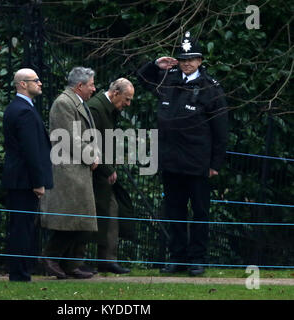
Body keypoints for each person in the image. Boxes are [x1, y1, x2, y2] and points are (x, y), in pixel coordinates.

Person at [137, 32, 228, 276]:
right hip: (170, 159)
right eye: (183, 59)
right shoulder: (169, 79)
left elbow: (221, 129)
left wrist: (215, 163)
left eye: (192, 59)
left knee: (199, 211)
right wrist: (156, 64)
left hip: (197, 162)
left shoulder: (211, 88)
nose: (187, 63)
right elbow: (143, 79)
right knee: (173, 211)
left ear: (200, 60)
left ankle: (197, 258)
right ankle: (177, 257)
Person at [41, 67, 99, 279]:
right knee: (71, 220)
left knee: (80, 220)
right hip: (68, 170)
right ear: (80, 86)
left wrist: (94, 153)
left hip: (77, 169)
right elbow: (67, 137)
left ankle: (70, 264)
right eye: (91, 84)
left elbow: (86, 135)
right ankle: (51, 256)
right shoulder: (64, 103)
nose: (94, 88)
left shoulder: (75, 102)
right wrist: (90, 156)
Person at [2, 68, 53, 282]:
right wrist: (38, 182)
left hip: (19, 179)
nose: (40, 83)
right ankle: (20, 273)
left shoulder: (19, 108)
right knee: (22, 227)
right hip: (24, 181)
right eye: (36, 80)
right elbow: (31, 151)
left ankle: (21, 270)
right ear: (23, 84)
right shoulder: (23, 111)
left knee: (21, 225)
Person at [87, 78, 134, 274]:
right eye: (126, 99)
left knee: (111, 210)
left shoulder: (107, 108)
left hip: (102, 169)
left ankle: (107, 258)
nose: (128, 104)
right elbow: (91, 142)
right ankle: (101, 259)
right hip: (96, 170)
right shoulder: (97, 109)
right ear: (115, 93)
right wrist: (108, 169)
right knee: (101, 211)